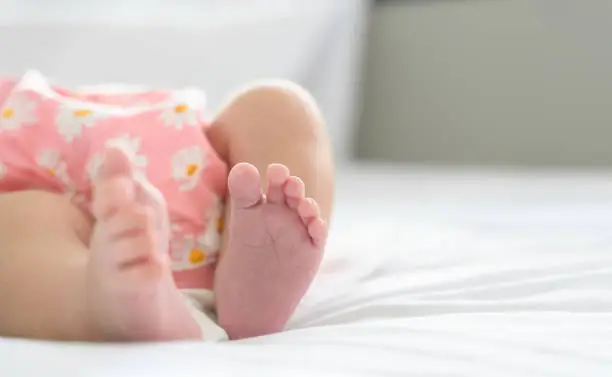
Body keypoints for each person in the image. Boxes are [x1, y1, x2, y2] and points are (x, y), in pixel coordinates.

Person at [0, 71, 334, 341]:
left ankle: (252, 283)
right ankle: (113, 302)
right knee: (16, 226)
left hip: (214, 179)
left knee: (276, 104)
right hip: (54, 232)